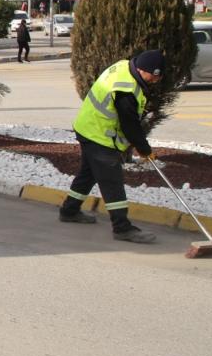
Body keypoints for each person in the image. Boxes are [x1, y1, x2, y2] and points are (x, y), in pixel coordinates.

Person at [58, 49, 166, 244]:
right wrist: (144, 149)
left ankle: (69, 210)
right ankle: (122, 228)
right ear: (144, 70)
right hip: (98, 135)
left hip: (88, 128)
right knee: (112, 182)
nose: (156, 81)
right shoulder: (126, 89)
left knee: (88, 173)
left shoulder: (124, 67)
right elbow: (130, 124)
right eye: (155, 76)